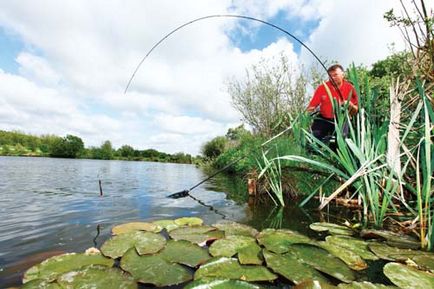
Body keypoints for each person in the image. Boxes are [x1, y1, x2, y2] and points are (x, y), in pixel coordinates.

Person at [306, 64, 358, 147]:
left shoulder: (350, 88)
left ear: (342, 75)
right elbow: (311, 106)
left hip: (342, 118)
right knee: (313, 137)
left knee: (341, 139)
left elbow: (356, 109)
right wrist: (304, 117)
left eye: (335, 75)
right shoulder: (322, 88)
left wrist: (349, 104)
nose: (332, 78)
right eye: (330, 76)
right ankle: (312, 155)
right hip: (323, 118)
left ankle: (337, 155)